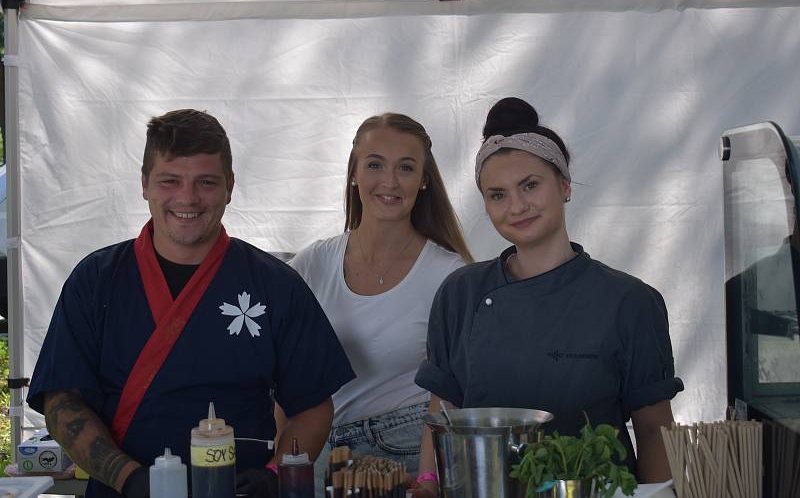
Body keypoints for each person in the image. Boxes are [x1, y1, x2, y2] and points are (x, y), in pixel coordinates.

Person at [26, 109, 355, 498]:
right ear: (145, 183)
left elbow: (312, 406)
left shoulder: (275, 284)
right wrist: (128, 478)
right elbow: (62, 401)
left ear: (230, 186)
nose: (187, 198)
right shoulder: (96, 280)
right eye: (170, 181)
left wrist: (276, 472)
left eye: (206, 182)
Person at [413, 97, 683, 495]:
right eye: (497, 194)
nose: (517, 206)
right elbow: (442, 412)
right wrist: (427, 483)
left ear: (565, 185)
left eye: (530, 185)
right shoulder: (461, 292)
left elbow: (654, 430)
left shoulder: (629, 301)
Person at [285, 113, 473, 483]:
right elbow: (278, 376)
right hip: (316, 454)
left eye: (406, 167)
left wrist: (428, 481)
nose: (389, 181)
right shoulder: (310, 264)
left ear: (423, 181)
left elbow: (452, 394)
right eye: (375, 164)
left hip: (404, 454)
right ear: (354, 172)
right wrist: (277, 465)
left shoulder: (449, 275)